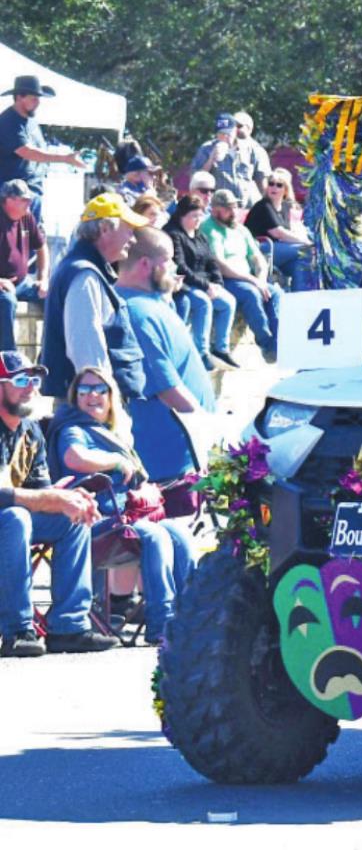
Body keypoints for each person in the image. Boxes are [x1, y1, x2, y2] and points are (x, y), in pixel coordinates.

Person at [52, 363, 197, 645]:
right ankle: (161, 622)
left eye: (98, 389)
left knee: (179, 534)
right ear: (75, 396)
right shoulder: (74, 428)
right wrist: (116, 462)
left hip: (124, 516)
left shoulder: (112, 432)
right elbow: (74, 457)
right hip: (90, 522)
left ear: (110, 396)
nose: (91, 395)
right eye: (84, 390)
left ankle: (190, 615)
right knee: (154, 536)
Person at [0, 350, 115, 656]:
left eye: (34, 380)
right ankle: (17, 631)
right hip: (8, 522)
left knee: (71, 517)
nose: (31, 387)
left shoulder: (30, 431)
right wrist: (49, 498)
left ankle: (69, 627)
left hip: (11, 524)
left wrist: (69, 500)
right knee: (15, 517)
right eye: (21, 380)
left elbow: (41, 491)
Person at [116, 227, 216, 481]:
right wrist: (212, 435)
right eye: (168, 260)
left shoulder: (151, 302)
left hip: (184, 460)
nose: (175, 267)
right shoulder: (133, 314)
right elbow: (167, 389)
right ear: (146, 264)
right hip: (166, 468)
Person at [40, 192, 149, 403]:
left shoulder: (82, 270)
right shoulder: (84, 275)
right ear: (105, 229)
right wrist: (103, 400)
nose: (133, 239)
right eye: (129, 231)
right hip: (90, 405)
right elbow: (86, 349)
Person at [201, 188, 281, 360]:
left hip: (249, 278)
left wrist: (260, 279)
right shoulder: (210, 229)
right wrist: (254, 281)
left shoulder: (241, 230)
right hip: (225, 279)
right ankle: (266, 345)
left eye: (235, 207)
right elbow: (220, 264)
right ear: (215, 210)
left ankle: (279, 342)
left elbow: (258, 258)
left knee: (276, 293)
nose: (233, 212)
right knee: (250, 294)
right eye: (228, 208)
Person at [164, 192, 238, 370]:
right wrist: (206, 286)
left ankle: (221, 348)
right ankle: (202, 352)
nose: (198, 220)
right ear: (182, 215)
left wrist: (218, 284)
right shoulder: (173, 234)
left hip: (206, 283)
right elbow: (180, 266)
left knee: (229, 302)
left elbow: (211, 262)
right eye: (193, 216)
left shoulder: (199, 235)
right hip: (184, 283)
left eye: (200, 215)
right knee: (203, 303)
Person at [0, 74, 86, 199]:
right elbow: (27, 152)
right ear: (19, 97)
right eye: (34, 98)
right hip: (12, 196)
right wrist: (66, 158)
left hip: (31, 191)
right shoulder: (8, 121)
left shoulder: (31, 121)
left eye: (39, 98)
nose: (38, 102)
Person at [244, 167, 314, 290]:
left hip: (277, 249)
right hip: (260, 248)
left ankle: (299, 298)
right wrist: (307, 243)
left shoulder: (285, 207)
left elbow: (288, 233)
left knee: (303, 262)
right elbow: (278, 233)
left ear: (285, 190)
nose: (274, 187)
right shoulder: (264, 205)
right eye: (271, 184)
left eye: (279, 185)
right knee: (306, 250)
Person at [0, 179, 48, 353]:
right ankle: (8, 361)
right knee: (6, 301)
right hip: (3, 287)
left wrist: (43, 279)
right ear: (9, 200)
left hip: (23, 283)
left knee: (54, 297)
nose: (30, 203)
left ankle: (48, 356)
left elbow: (42, 246)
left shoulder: (27, 217)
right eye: (25, 200)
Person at [191, 114, 255, 206]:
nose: (225, 137)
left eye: (228, 133)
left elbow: (259, 178)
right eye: (221, 133)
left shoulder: (248, 149)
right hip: (220, 205)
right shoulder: (207, 149)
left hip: (245, 205)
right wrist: (211, 159)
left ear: (235, 130)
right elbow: (196, 178)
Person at [231, 111, 271, 200]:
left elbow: (262, 182)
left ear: (249, 129)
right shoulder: (222, 146)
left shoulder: (257, 151)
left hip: (247, 204)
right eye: (232, 125)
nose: (234, 129)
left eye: (239, 126)